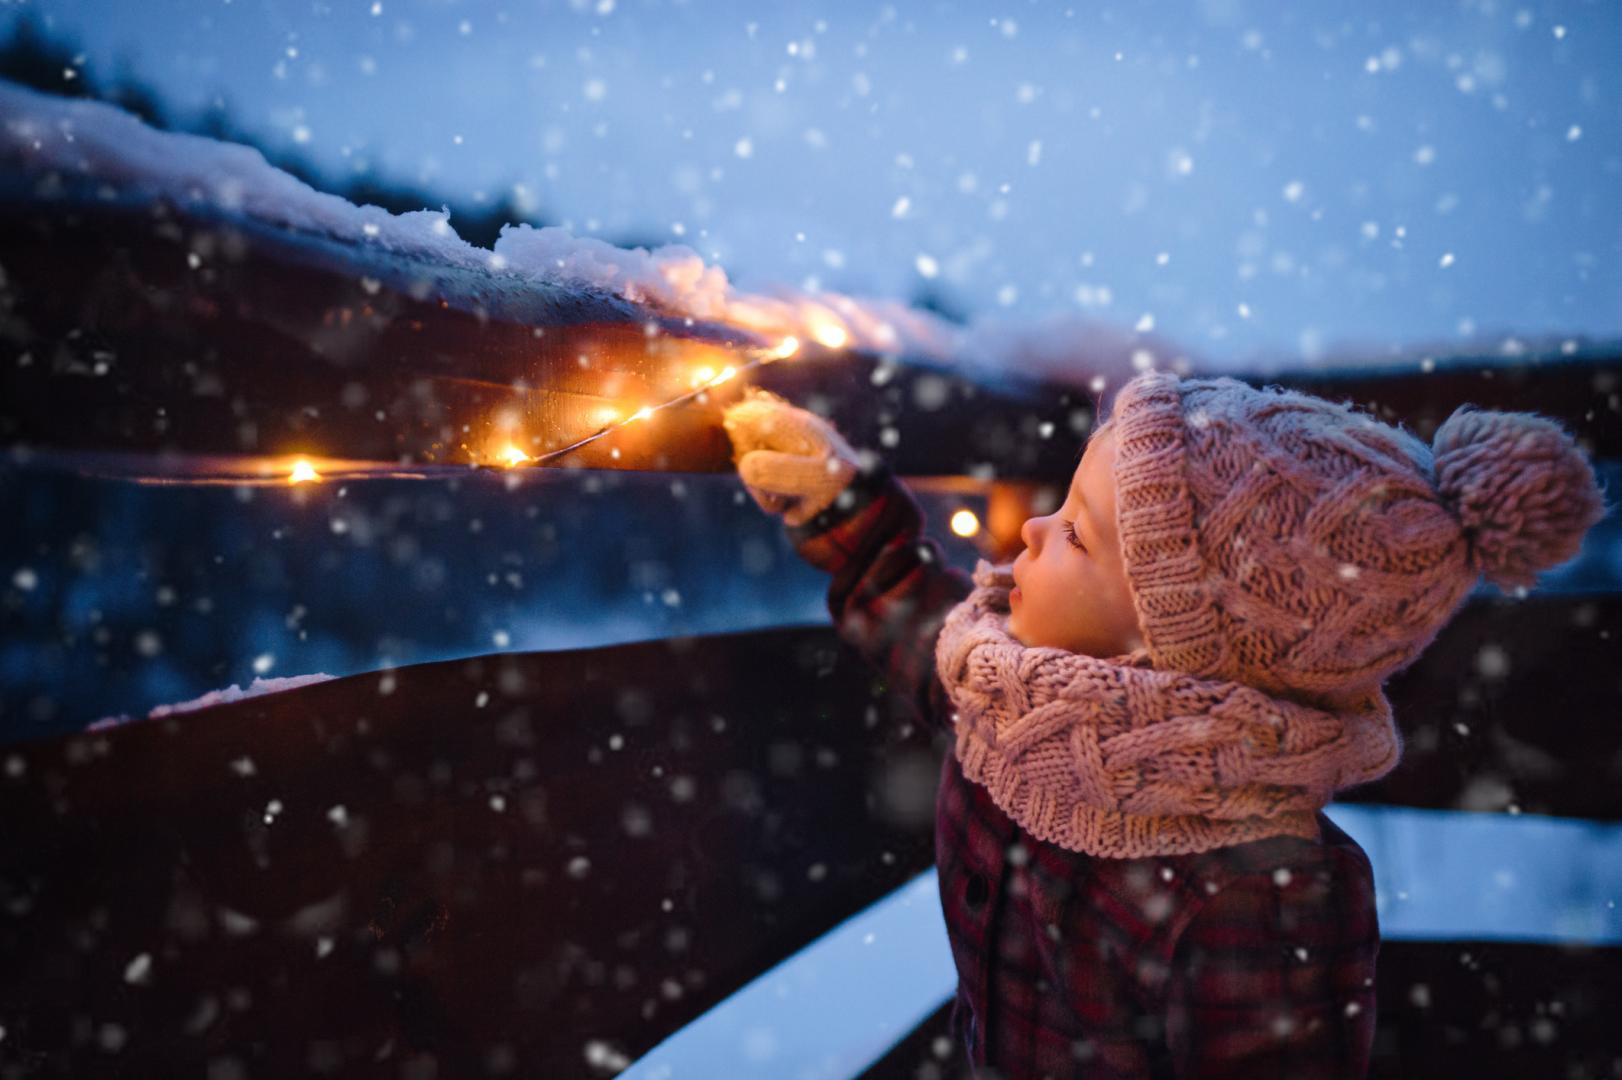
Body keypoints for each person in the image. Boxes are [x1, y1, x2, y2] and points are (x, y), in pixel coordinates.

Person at [721, 369, 1607, 1079]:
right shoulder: (1006, 696)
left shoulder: (1267, 891)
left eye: (1077, 535)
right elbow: (915, 617)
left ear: (1167, 644)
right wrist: (839, 500)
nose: (1031, 528)